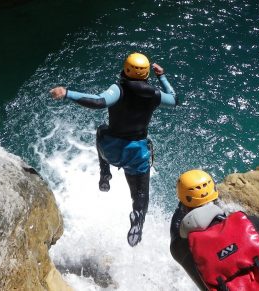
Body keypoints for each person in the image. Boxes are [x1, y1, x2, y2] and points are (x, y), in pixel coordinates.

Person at [50, 52, 178, 247]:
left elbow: (98, 102)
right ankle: (138, 218)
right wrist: (162, 76)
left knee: (101, 130)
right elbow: (175, 99)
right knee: (140, 194)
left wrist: (68, 93)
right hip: (137, 153)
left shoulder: (119, 89)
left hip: (111, 149)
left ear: (125, 69)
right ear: (145, 74)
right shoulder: (154, 94)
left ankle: (105, 173)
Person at [170, 169, 259, 290]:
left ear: (184, 205)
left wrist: (184, 197)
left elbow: (176, 227)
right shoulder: (252, 223)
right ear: (215, 194)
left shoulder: (181, 249)